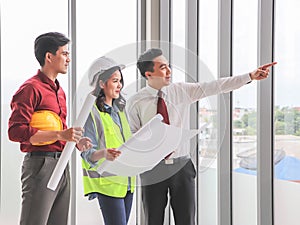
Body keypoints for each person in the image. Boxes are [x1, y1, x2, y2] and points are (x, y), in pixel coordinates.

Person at [126, 48, 277, 225]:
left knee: (186, 219)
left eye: (169, 66)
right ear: (148, 73)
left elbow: (215, 86)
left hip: (181, 167)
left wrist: (249, 76)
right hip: (152, 170)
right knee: (153, 220)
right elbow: (134, 138)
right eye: (163, 67)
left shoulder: (181, 91)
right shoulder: (135, 102)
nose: (169, 71)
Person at [8, 32, 92, 225]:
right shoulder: (30, 89)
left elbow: (58, 128)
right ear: (49, 56)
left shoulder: (59, 91)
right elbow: (15, 131)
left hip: (62, 165)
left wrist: (75, 140)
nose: (68, 59)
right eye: (64, 53)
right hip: (40, 166)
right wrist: (60, 134)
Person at [81, 56, 135, 225]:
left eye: (120, 81)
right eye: (115, 81)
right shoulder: (90, 113)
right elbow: (87, 153)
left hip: (127, 182)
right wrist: (104, 153)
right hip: (107, 183)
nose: (119, 85)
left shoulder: (121, 111)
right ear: (101, 83)